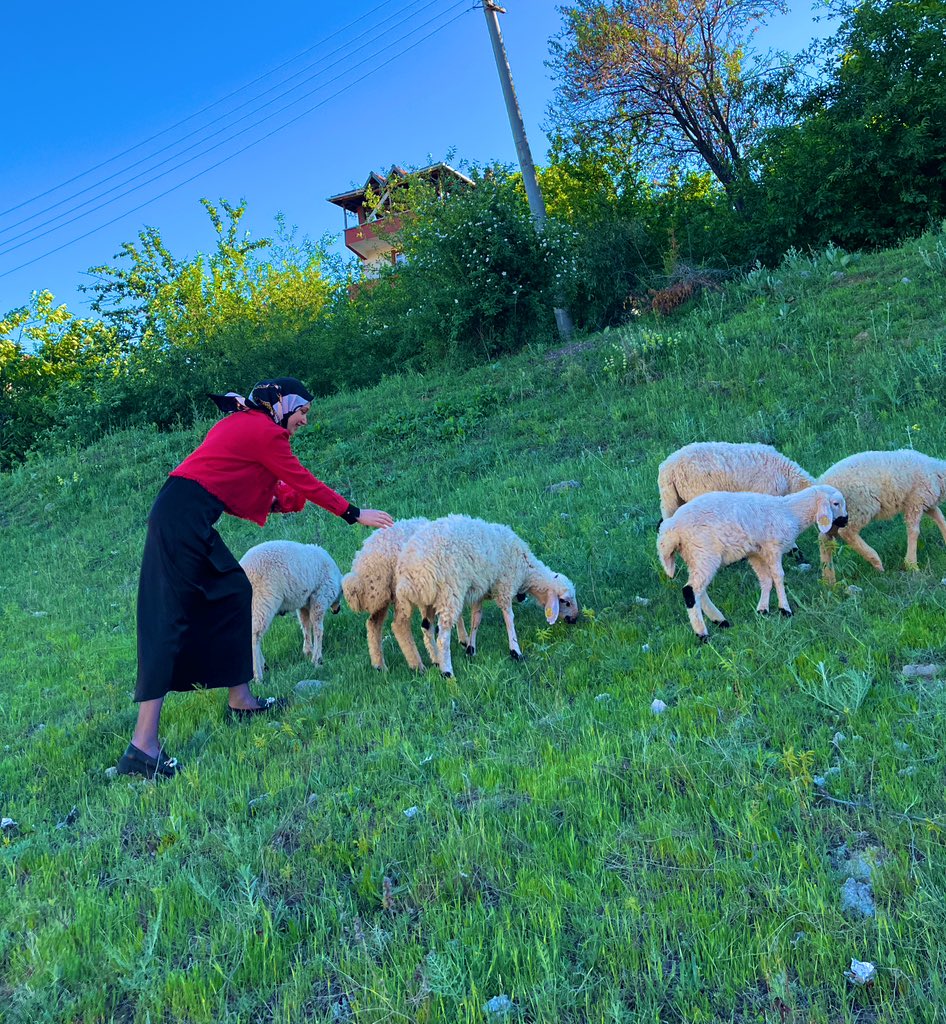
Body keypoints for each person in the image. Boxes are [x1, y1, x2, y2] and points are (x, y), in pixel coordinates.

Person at [116, 377, 394, 779]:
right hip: (180, 519)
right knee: (167, 621)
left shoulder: (245, 422)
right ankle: (142, 748)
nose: (304, 421)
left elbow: (237, 482)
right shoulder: (262, 429)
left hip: (186, 515)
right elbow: (301, 480)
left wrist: (282, 499)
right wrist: (354, 513)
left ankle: (241, 701)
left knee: (233, 592)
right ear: (283, 403)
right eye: (302, 412)